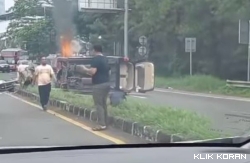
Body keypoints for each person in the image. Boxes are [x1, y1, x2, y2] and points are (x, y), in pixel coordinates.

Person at [81, 45, 110, 131]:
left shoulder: (96, 59)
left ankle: (101, 124)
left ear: (95, 50)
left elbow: (92, 72)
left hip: (98, 84)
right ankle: (105, 123)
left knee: (99, 105)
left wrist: (85, 69)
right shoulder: (105, 59)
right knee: (104, 104)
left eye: (92, 50)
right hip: (106, 83)